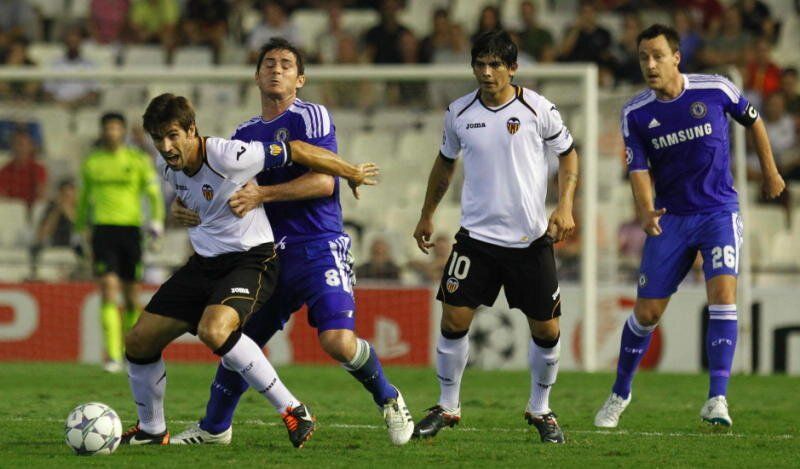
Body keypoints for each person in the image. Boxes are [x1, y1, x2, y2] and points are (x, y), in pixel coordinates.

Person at [168, 37, 414, 447]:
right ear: (256, 74)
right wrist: (192, 207)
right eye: (268, 63)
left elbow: (323, 181)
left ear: (300, 78)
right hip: (266, 255)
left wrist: (263, 194)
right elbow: (228, 194)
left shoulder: (311, 116)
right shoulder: (243, 132)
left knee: (336, 342)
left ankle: (389, 398)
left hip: (319, 245)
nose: (276, 69)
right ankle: (214, 429)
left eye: (285, 64)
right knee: (237, 339)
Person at [121, 92, 378, 447]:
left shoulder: (230, 155)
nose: (165, 146)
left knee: (215, 330)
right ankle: (152, 429)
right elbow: (197, 198)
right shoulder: (168, 168)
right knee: (138, 341)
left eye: (172, 135)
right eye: (157, 138)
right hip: (204, 264)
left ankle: (293, 410)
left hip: (251, 260)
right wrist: (177, 211)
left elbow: (298, 150)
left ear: (192, 130)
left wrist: (349, 172)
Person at [594, 24, 785, 430]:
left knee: (723, 294)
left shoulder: (716, 88)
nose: (650, 64)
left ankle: (717, 398)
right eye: (643, 56)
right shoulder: (636, 113)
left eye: (657, 56)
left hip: (719, 212)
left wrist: (770, 172)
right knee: (646, 314)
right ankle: (620, 392)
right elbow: (638, 168)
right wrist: (645, 211)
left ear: (676, 57)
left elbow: (754, 121)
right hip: (672, 219)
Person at [411, 30, 579, 444]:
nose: (486, 73)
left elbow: (569, 153)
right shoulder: (458, 112)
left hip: (529, 240)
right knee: (454, 318)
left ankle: (541, 410)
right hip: (476, 240)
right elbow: (445, 162)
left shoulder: (538, 108)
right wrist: (427, 214)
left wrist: (565, 205)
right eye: (480, 65)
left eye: (495, 65)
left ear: (512, 68)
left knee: (547, 331)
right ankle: (448, 406)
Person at [75, 112, 165, 373]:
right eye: (108, 128)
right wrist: (78, 230)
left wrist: (156, 221)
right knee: (107, 288)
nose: (112, 132)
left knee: (131, 295)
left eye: (116, 128)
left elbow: (153, 194)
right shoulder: (92, 162)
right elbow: (83, 200)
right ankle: (112, 355)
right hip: (103, 231)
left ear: (123, 131)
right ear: (102, 131)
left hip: (130, 231)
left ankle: (131, 351)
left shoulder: (137, 161)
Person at [0, 127, 46, 215]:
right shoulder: (4, 170)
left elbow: (40, 195)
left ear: (30, 146)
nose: (19, 148)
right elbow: (2, 195)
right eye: (16, 144)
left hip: (32, 212)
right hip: (10, 212)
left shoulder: (38, 169)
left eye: (22, 144)